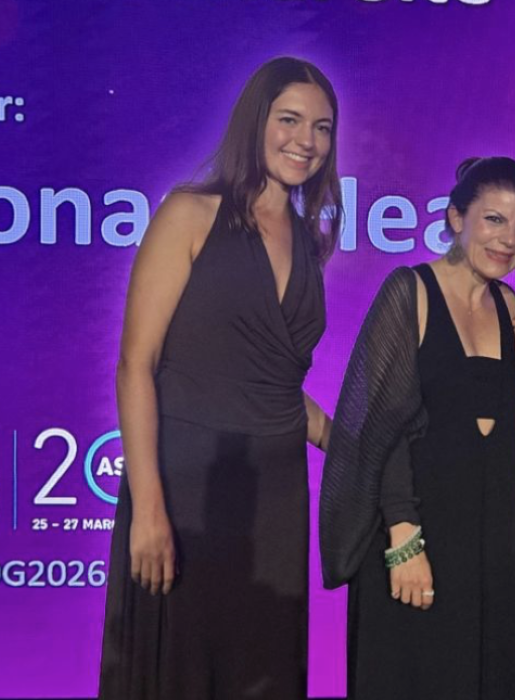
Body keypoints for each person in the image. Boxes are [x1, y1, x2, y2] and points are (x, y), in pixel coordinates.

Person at [97, 57, 341, 700]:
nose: (306, 141)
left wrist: (357, 447)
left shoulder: (308, 241)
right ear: (254, 122)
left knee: (260, 671)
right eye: (289, 120)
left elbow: (275, 384)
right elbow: (136, 366)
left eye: (321, 127)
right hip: (188, 491)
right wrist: (150, 508)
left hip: (276, 499)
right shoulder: (190, 213)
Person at [320, 157, 515, 700]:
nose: (509, 239)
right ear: (455, 218)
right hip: (416, 543)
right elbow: (379, 430)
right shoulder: (410, 291)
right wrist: (402, 537)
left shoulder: (512, 307)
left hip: (492, 553)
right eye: (494, 220)